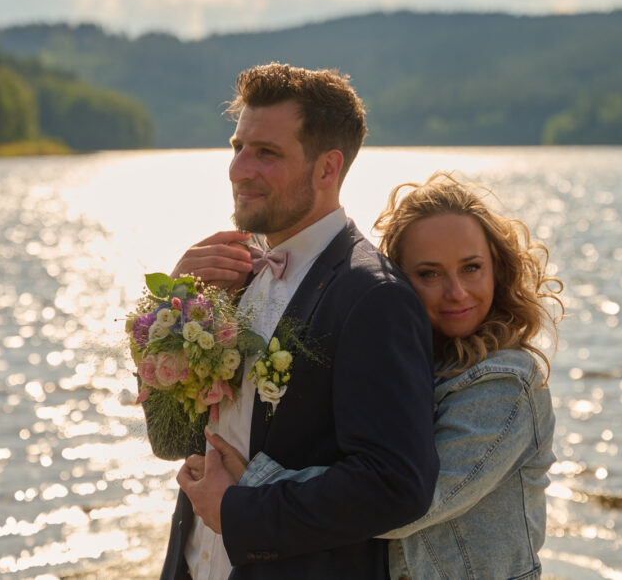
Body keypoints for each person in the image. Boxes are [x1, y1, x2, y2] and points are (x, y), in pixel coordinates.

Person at [189, 172, 563, 579]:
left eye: (471, 268)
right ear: (399, 281)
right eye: (430, 274)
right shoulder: (399, 360)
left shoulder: (507, 382)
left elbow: (406, 503)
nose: (456, 292)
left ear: (497, 269)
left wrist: (251, 481)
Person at [145, 62, 439, 579]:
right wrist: (168, 313)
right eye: (237, 148)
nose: (239, 170)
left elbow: (395, 486)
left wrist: (238, 513)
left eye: (266, 153)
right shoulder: (228, 278)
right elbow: (171, 443)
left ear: (327, 169)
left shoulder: (373, 298)